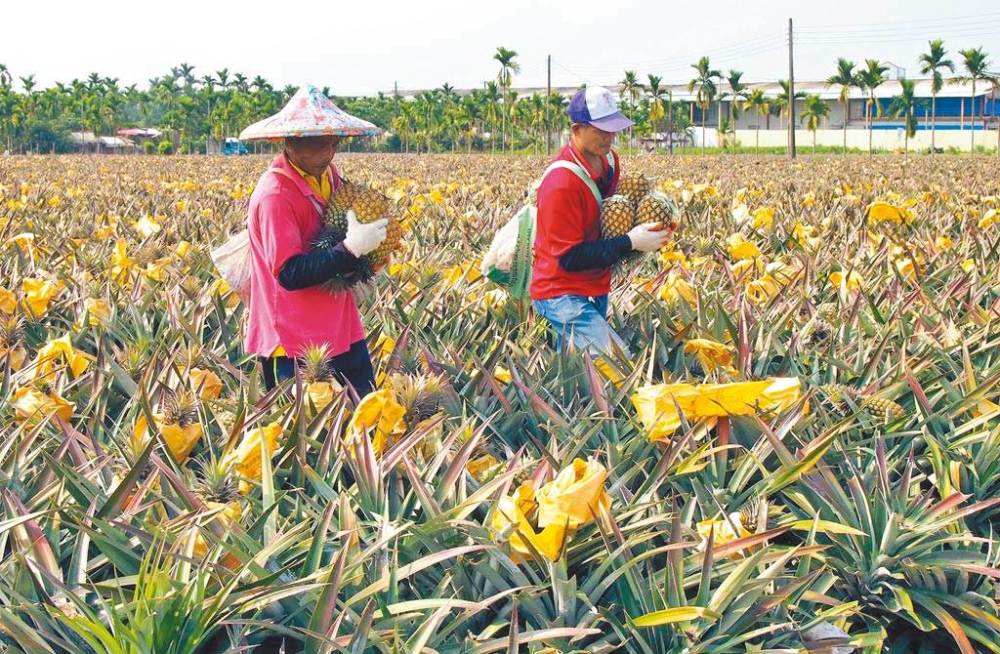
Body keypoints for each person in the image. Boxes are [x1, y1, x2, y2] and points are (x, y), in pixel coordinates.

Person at [239, 86, 387, 395]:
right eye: (318, 145)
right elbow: (290, 274)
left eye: (332, 144)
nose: (328, 154)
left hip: (341, 325)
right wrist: (352, 248)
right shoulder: (275, 196)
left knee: (367, 415)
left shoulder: (328, 175)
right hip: (293, 338)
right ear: (290, 143)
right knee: (308, 436)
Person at [530, 86, 671, 355]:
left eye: (613, 128)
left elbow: (607, 217)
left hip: (593, 286)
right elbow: (570, 257)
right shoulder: (561, 183)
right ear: (576, 129)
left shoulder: (609, 161)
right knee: (617, 366)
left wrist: (651, 225)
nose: (609, 137)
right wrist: (631, 241)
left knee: (584, 375)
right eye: (600, 130)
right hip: (560, 294)